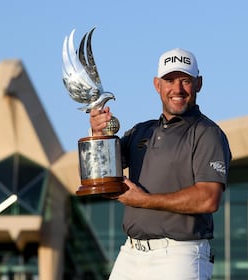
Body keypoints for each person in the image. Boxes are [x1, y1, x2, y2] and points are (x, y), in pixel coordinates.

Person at [89, 47, 232, 279]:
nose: (177, 89)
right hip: (130, 253)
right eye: (169, 80)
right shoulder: (140, 131)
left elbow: (208, 198)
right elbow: (102, 175)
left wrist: (144, 201)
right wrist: (97, 135)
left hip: (180, 255)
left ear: (199, 84)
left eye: (185, 80)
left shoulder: (208, 133)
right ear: (157, 85)